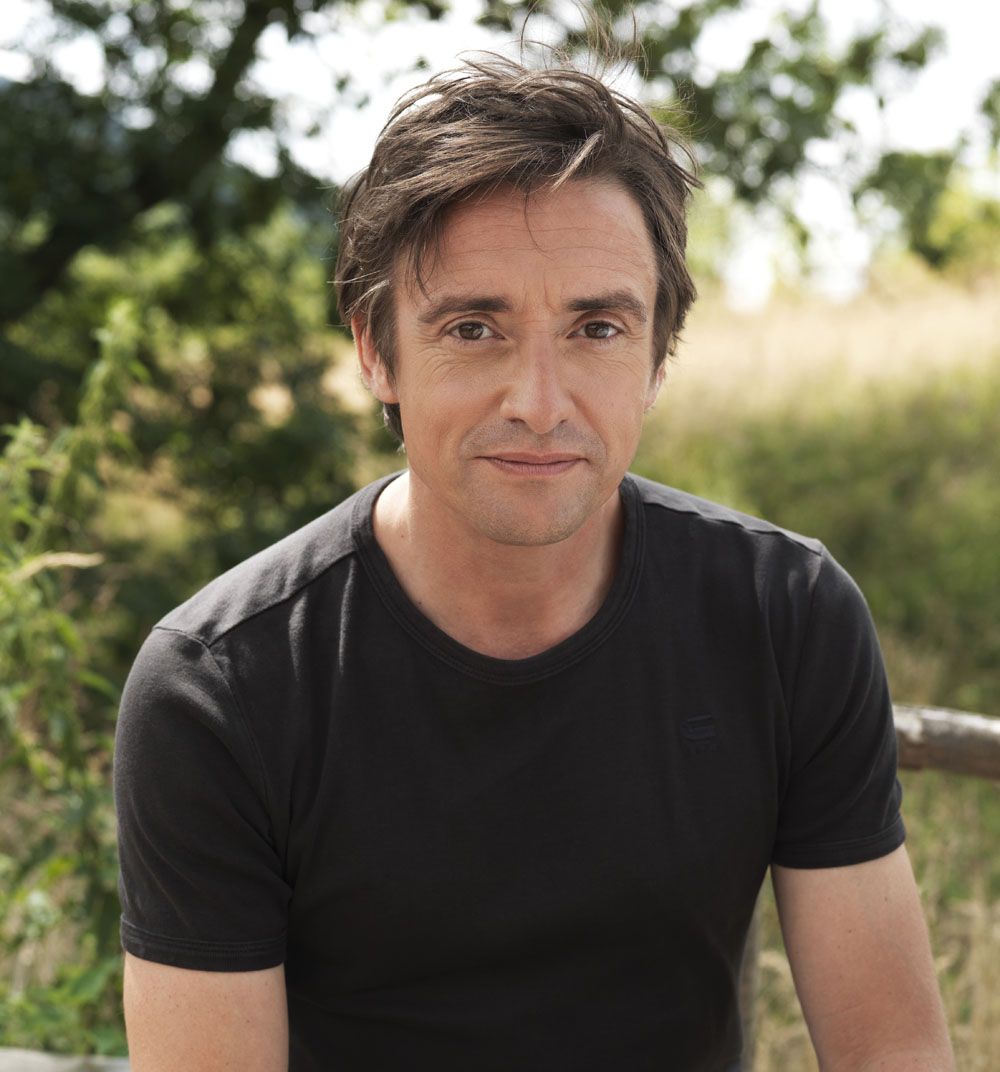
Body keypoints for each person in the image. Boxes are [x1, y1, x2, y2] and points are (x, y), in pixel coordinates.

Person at [113, 51, 954, 1072]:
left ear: (657, 355)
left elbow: (890, 1054)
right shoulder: (222, 685)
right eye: (475, 328)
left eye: (597, 327)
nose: (540, 403)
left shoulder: (785, 614)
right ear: (375, 351)